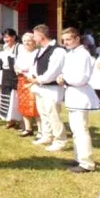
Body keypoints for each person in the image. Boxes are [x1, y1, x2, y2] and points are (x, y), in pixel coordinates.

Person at [57, 27, 100, 173]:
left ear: (77, 38)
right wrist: (63, 77)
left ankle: (86, 163)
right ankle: (79, 157)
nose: (66, 42)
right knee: (76, 130)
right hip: (73, 95)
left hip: (80, 95)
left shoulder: (82, 55)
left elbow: (81, 78)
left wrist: (65, 79)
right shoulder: (72, 54)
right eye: (64, 40)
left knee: (81, 130)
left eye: (68, 39)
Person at [27, 24, 67, 152]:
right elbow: (34, 66)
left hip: (52, 88)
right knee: (43, 113)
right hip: (40, 87)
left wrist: (38, 79)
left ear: (41, 36)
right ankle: (47, 135)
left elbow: (53, 71)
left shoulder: (57, 50)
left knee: (53, 114)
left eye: (34, 36)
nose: (33, 39)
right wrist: (32, 76)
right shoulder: (40, 50)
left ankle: (59, 140)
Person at [15, 32, 40, 138]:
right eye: (24, 41)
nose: (27, 43)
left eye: (29, 40)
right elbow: (16, 64)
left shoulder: (38, 53)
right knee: (23, 104)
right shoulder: (21, 53)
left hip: (32, 80)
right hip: (21, 80)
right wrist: (16, 69)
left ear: (34, 41)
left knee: (35, 105)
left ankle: (41, 130)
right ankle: (28, 128)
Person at [0, 29, 22, 128]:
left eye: (8, 37)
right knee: (6, 96)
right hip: (6, 74)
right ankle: (9, 120)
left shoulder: (19, 48)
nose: (5, 39)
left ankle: (19, 120)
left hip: (15, 74)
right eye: (4, 37)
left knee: (14, 98)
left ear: (14, 37)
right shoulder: (5, 48)